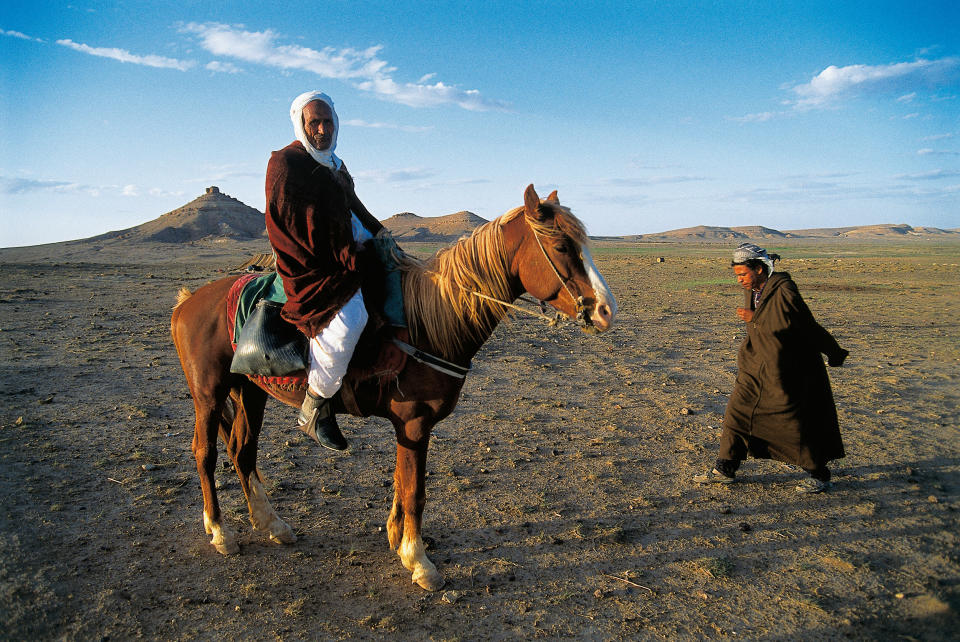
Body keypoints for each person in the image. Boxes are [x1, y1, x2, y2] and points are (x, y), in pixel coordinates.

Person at [264, 91, 384, 451]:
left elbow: (356, 208)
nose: (321, 129)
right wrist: (349, 254)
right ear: (301, 124)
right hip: (310, 267)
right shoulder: (285, 163)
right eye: (313, 122)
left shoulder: (335, 164)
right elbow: (291, 227)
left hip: (348, 252)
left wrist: (382, 237)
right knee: (351, 320)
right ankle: (315, 406)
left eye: (327, 121)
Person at [695, 243, 849, 493]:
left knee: (794, 422)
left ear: (759, 269)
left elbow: (801, 324)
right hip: (755, 366)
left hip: (785, 368)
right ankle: (725, 468)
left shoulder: (784, 288)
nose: (740, 280)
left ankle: (819, 474)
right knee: (737, 413)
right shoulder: (755, 289)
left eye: (743, 274)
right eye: (737, 275)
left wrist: (833, 351)